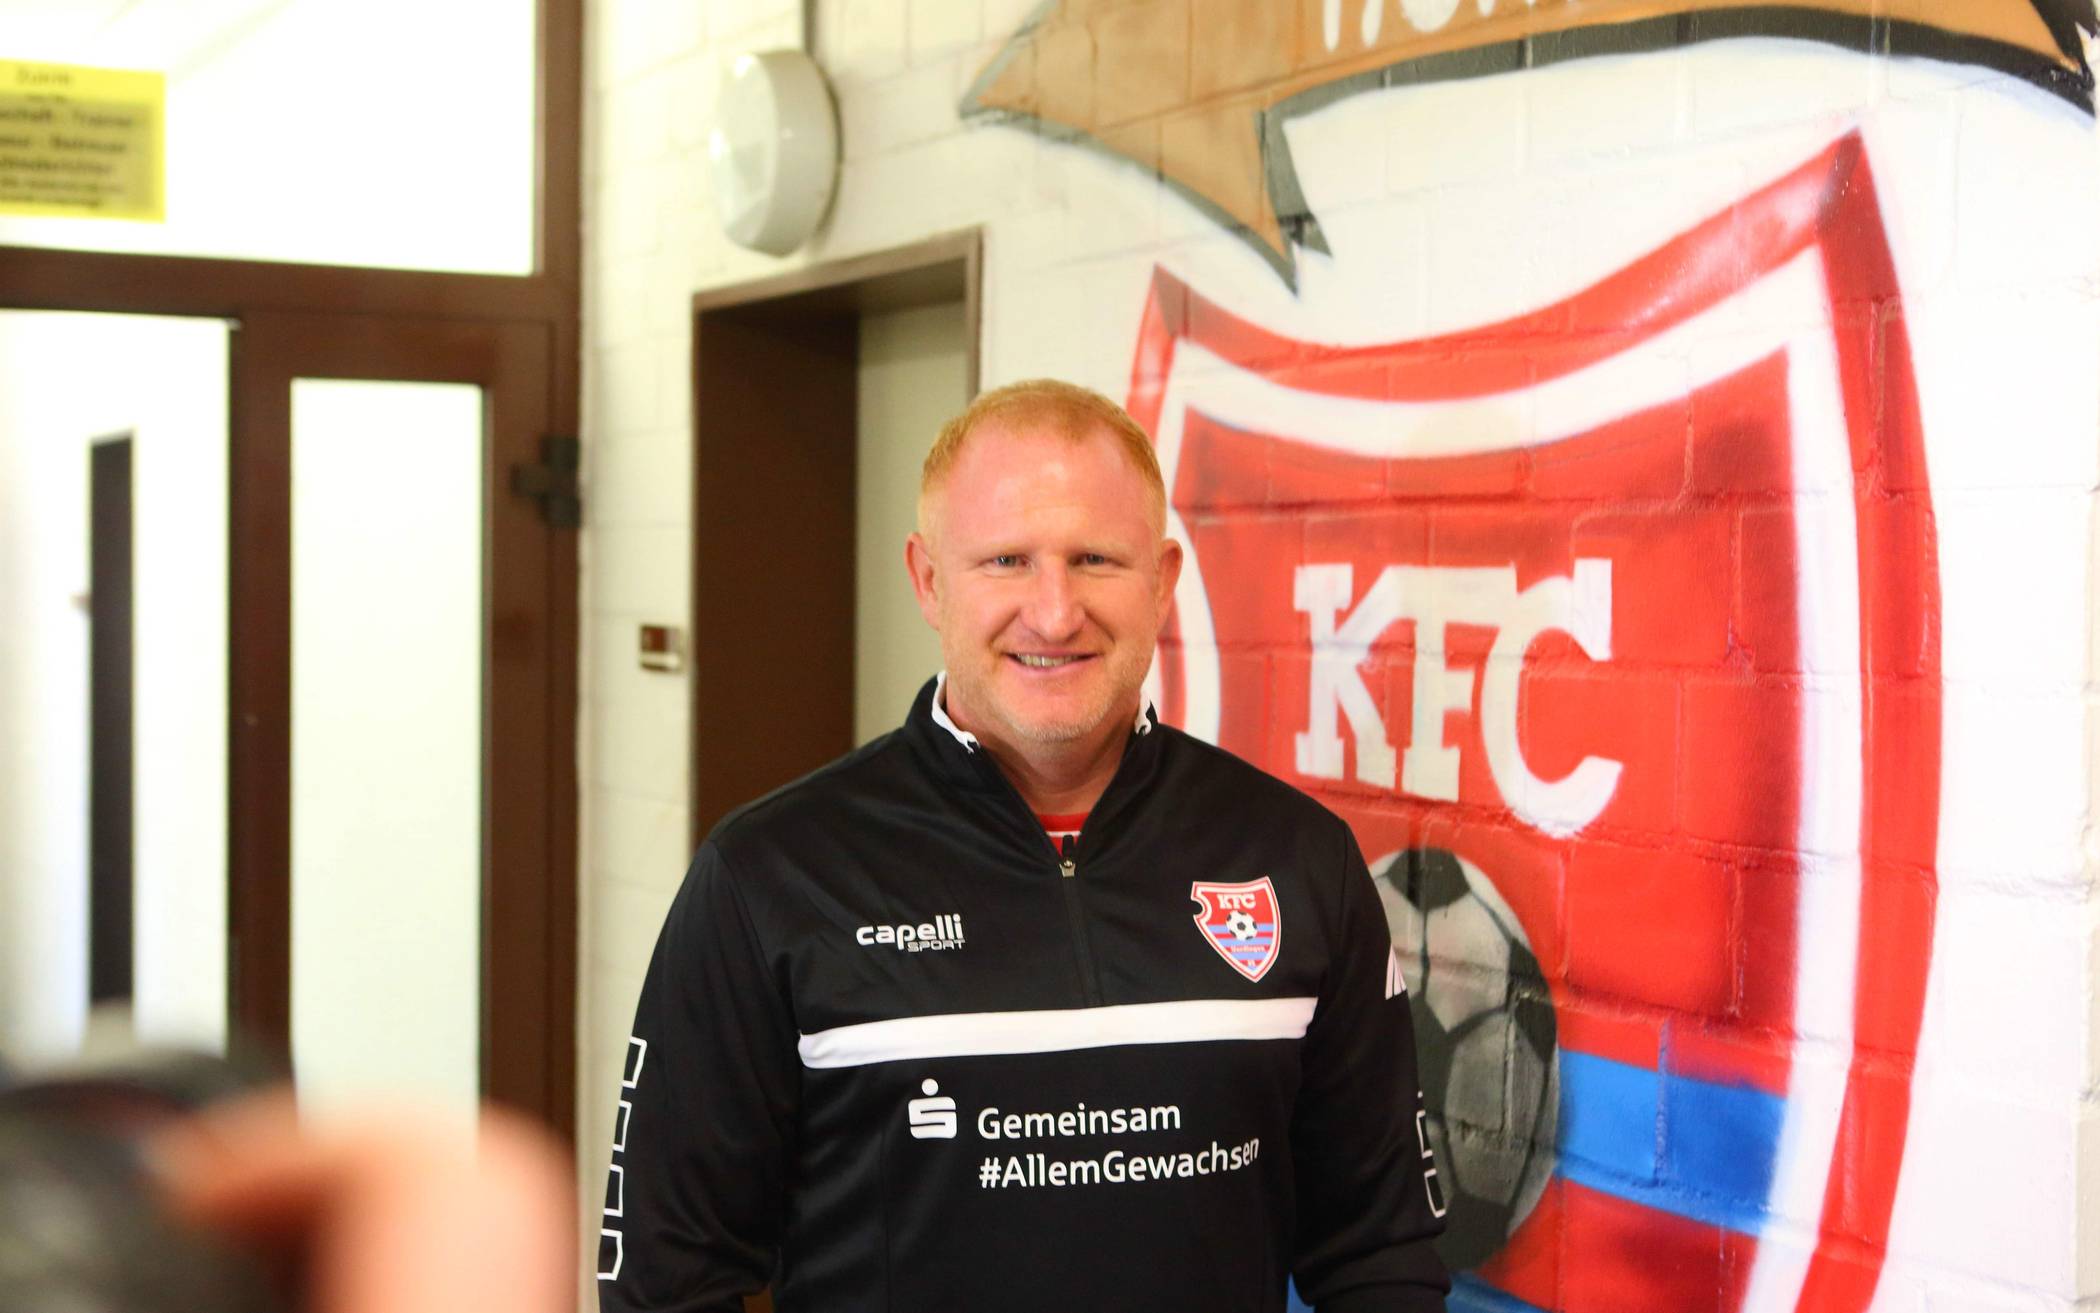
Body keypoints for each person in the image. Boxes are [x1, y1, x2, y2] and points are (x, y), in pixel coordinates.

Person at [599, 380, 1450, 1312]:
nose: (1054, 612)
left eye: (1095, 559)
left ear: (1162, 579)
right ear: (929, 580)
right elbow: (668, 1279)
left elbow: (1381, 1259)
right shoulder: (770, 877)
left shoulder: (1299, 859)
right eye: (1007, 560)